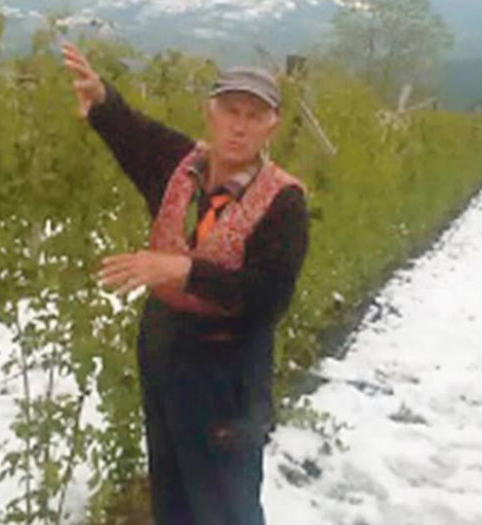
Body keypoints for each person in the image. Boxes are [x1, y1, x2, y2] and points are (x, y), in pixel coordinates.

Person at [61, 41, 309, 525]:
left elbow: (269, 297)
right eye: (230, 111)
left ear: (272, 125)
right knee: (172, 491)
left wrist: (184, 272)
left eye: (254, 116)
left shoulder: (283, 202)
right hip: (165, 349)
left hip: (227, 368)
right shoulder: (181, 165)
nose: (239, 126)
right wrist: (102, 98)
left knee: (225, 503)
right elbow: (134, 134)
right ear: (210, 112)